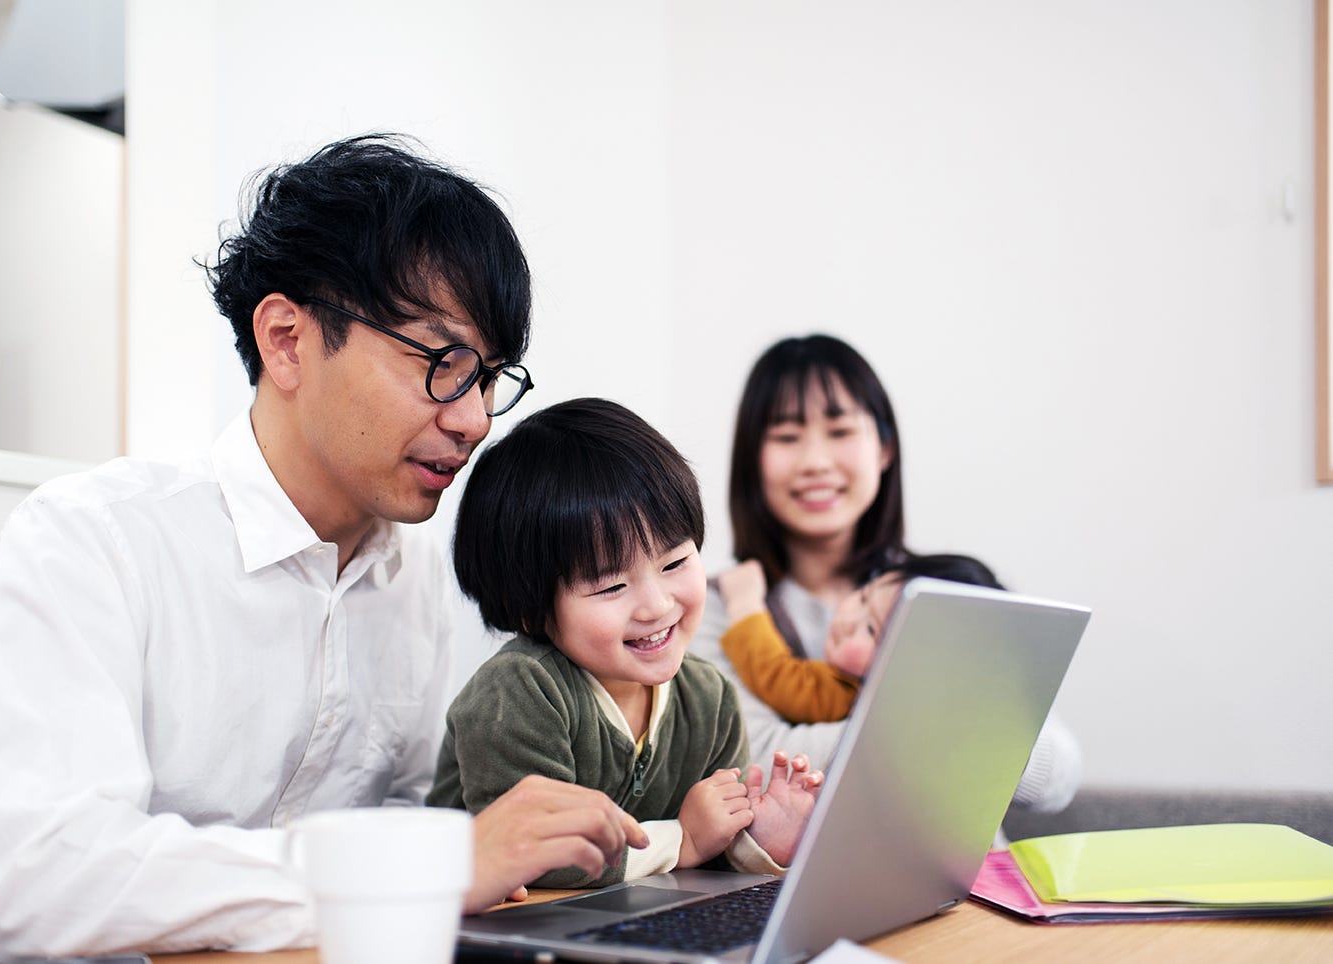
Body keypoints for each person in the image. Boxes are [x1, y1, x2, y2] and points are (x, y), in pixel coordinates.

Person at [0, 135, 648, 960]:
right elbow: (40, 886)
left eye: (491, 376)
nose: (471, 419)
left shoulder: (414, 577)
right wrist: (422, 867)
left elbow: (414, 813)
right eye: (442, 362)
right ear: (287, 340)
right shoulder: (94, 540)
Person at [429, 398, 823, 886]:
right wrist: (683, 839)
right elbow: (533, 851)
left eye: (675, 563)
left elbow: (708, 855)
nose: (656, 606)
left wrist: (761, 837)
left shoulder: (710, 699)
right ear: (531, 609)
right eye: (611, 587)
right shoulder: (519, 691)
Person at [689, 334, 1081, 813]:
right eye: (786, 437)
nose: (815, 461)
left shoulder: (947, 594)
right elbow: (752, 760)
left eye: (840, 432)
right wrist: (957, 734)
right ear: (753, 463)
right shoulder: (714, 607)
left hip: (973, 883)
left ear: (884, 450)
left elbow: (1055, 775)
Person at [719, 552, 1004, 724]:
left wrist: (745, 606)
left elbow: (777, 675)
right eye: (864, 596)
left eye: (871, 630)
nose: (848, 620)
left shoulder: (851, 694)